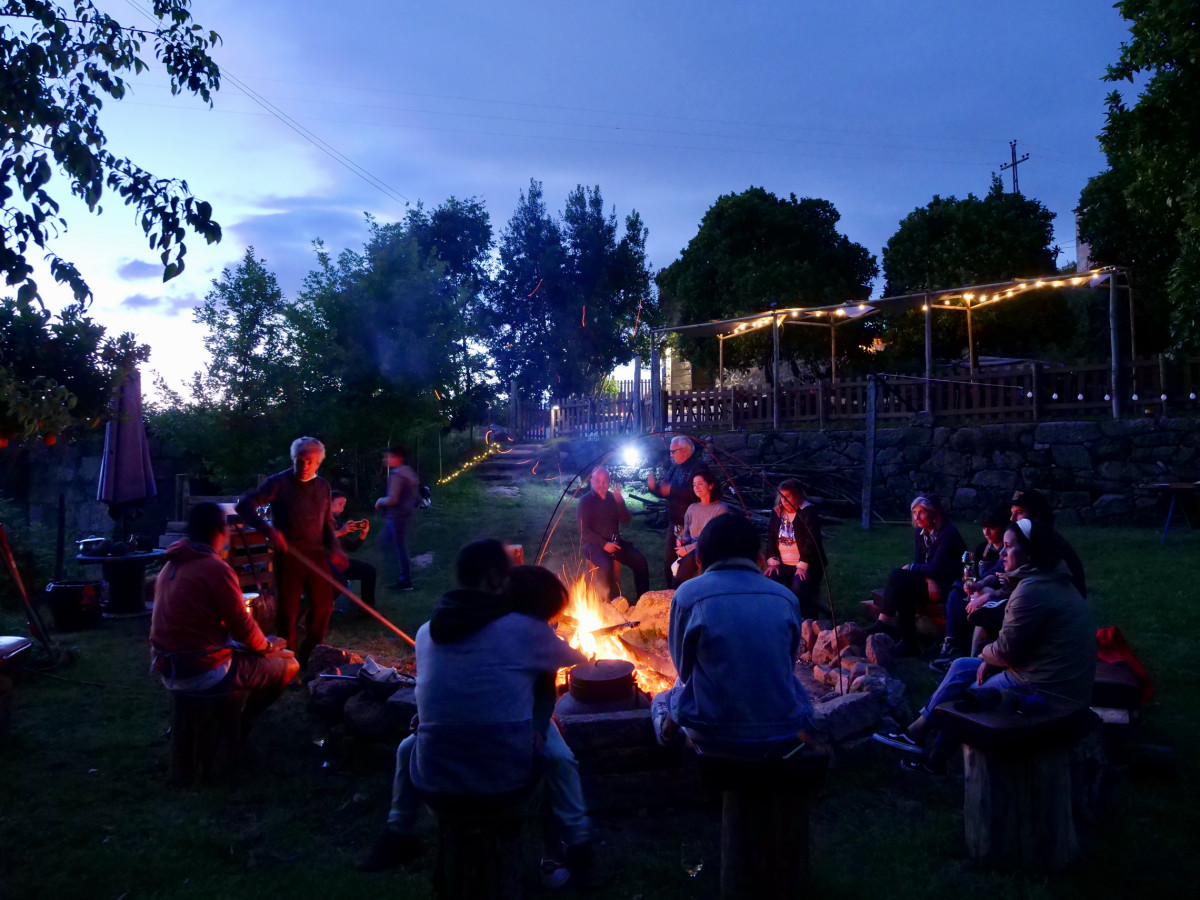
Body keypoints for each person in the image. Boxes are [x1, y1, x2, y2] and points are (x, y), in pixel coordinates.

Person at [360, 544, 597, 889]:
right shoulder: (523, 628)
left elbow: (443, 689)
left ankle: (397, 830)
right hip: (504, 785)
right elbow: (579, 659)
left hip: (434, 788)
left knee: (407, 746)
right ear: (494, 577)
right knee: (559, 756)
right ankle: (578, 843)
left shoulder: (426, 631)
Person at [874, 517, 1096, 775]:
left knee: (968, 695)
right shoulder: (1052, 580)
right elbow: (1017, 647)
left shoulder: (1032, 590)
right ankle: (917, 731)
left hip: (1047, 691)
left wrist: (987, 657)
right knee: (962, 666)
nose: (1002, 553)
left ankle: (934, 762)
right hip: (1046, 675)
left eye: (1009, 547)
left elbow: (1005, 651)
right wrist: (989, 660)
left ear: (1030, 552)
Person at [652, 514, 814, 760]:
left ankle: (666, 746)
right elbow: (787, 665)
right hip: (781, 727)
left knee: (662, 700)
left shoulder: (688, 595)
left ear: (698, 559)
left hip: (713, 729)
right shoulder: (786, 598)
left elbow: (683, 670)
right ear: (759, 559)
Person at [150, 502, 299, 723]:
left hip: (168, 665)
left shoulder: (171, 565)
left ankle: (212, 718)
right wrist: (267, 646)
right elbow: (241, 626)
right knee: (289, 664)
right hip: (201, 669)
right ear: (220, 530)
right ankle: (242, 722)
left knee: (256, 651)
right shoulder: (215, 569)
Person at [236, 436, 347, 669]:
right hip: (289, 556)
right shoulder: (279, 483)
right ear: (293, 459)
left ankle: (309, 657)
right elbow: (244, 505)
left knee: (324, 607)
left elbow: (326, 522)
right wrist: (269, 531)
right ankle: (288, 664)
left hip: (316, 555)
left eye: (309, 461)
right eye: (299, 460)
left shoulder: (323, 486)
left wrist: (335, 548)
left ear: (318, 462)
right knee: (288, 612)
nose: (304, 465)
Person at [868, 495, 966, 657]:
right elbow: (920, 562)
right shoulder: (920, 532)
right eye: (914, 512)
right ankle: (908, 642)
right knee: (902, 583)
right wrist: (929, 579)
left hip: (950, 585)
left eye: (921, 512)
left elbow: (937, 567)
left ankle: (884, 623)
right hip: (933, 582)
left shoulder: (948, 533)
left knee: (899, 575)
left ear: (934, 513)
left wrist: (912, 568)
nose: (917, 517)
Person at [931, 504, 1008, 672]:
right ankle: (952, 644)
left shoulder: (1009, 550)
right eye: (984, 528)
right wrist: (970, 585)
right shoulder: (982, 549)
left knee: (981, 598)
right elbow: (973, 574)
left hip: (998, 596)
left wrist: (980, 587)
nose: (987, 532)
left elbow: (999, 576)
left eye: (992, 528)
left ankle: (973, 657)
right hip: (979, 591)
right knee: (957, 589)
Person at [579, 466, 650, 603]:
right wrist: (604, 544)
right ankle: (609, 604)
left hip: (614, 542)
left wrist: (621, 503)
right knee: (606, 567)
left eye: (605, 481)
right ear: (592, 481)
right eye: (598, 481)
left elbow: (626, 519)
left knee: (640, 561)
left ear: (609, 482)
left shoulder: (613, 498)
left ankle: (643, 601)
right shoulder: (585, 501)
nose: (601, 484)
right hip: (593, 545)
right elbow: (585, 532)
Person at [763, 479, 828, 619]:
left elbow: (811, 541)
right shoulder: (778, 512)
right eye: (782, 497)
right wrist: (772, 560)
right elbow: (771, 536)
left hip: (806, 564)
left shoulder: (807, 512)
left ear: (797, 496)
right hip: (783, 563)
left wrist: (803, 565)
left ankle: (804, 620)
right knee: (768, 581)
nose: (784, 501)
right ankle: (777, 617)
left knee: (798, 588)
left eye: (788, 497)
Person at [1010, 489, 1087, 598]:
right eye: (1012, 513)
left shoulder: (1047, 543)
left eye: (1019, 513)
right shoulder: (1033, 539)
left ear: (1035, 515)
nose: (1012, 519)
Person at [645, 436, 701, 584]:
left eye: (673, 451)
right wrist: (653, 488)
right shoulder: (675, 468)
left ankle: (685, 590)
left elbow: (697, 495)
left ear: (684, 451)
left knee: (689, 561)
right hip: (675, 522)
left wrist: (673, 490)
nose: (670, 455)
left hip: (692, 524)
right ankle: (670, 591)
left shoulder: (698, 469)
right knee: (669, 560)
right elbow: (665, 490)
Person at [671, 467, 737, 588]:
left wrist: (688, 549)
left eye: (700, 483)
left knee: (693, 557)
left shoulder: (720, 509)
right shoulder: (692, 508)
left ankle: (675, 589)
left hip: (711, 549)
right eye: (694, 485)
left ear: (710, 486)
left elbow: (715, 539)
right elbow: (686, 533)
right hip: (692, 548)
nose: (696, 487)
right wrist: (681, 541)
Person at [376, 446, 420, 592]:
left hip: (397, 516)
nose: (385, 459)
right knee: (390, 544)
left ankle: (404, 580)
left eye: (388, 456)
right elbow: (415, 495)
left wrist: (381, 500)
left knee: (394, 546)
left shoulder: (397, 474)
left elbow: (393, 499)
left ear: (397, 458)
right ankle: (400, 575)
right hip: (406, 514)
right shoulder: (408, 471)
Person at [330, 490, 377, 608]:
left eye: (343, 506)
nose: (342, 509)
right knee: (340, 581)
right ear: (328, 503)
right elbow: (318, 538)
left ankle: (367, 609)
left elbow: (352, 547)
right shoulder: (320, 521)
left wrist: (363, 534)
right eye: (339, 504)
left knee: (369, 571)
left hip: (341, 563)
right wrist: (341, 532)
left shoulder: (337, 524)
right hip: (327, 565)